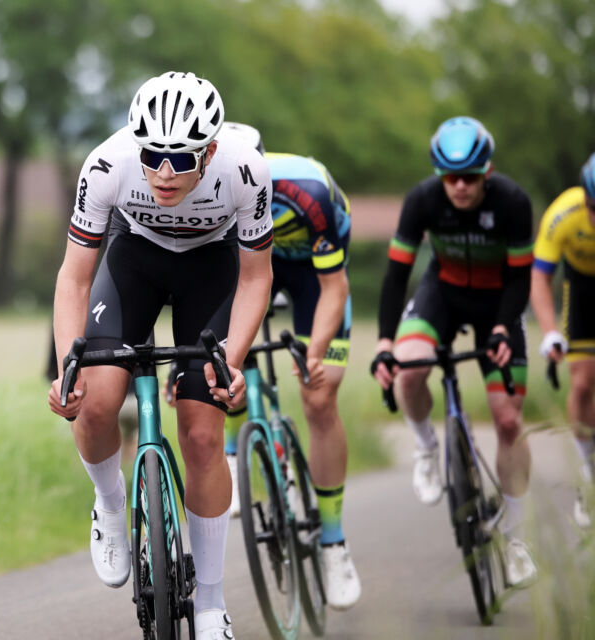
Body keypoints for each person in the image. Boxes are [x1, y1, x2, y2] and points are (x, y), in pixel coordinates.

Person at [47, 71, 274, 639]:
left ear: (212, 149)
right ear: (135, 141)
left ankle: (211, 604)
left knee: (202, 434)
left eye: (181, 158)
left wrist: (234, 360)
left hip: (213, 269)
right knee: (94, 405)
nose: (165, 172)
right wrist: (66, 366)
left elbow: (255, 278)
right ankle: (109, 504)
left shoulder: (245, 168)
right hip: (135, 262)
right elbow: (75, 278)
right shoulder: (107, 163)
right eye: (153, 155)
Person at [371, 116, 537, 588]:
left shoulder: (513, 202)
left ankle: (517, 538)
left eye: (469, 177)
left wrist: (505, 327)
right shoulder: (422, 199)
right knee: (409, 367)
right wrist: (385, 342)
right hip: (441, 294)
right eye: (450, 177)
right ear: (438, 174)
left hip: (497, 303)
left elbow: (521, 277)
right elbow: (396, 275)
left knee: (508, 420)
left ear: (487, 171)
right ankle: (426, 446)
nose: (460, 187)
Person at [215, 122, 361, 610]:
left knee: (319, 396)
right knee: (219, 363)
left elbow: (335, 287)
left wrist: (314, 351)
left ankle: (333, 541)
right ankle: (236, 448)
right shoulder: (205, 192)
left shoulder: (307, 190)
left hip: (311, 278)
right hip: (248, 269)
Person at [530, 152, 595, 528]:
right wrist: (551, 330)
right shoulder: (563, 214)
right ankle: (587, 474)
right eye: (592, 206)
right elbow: (540, 277)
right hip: (583, 290)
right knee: (583, 382)